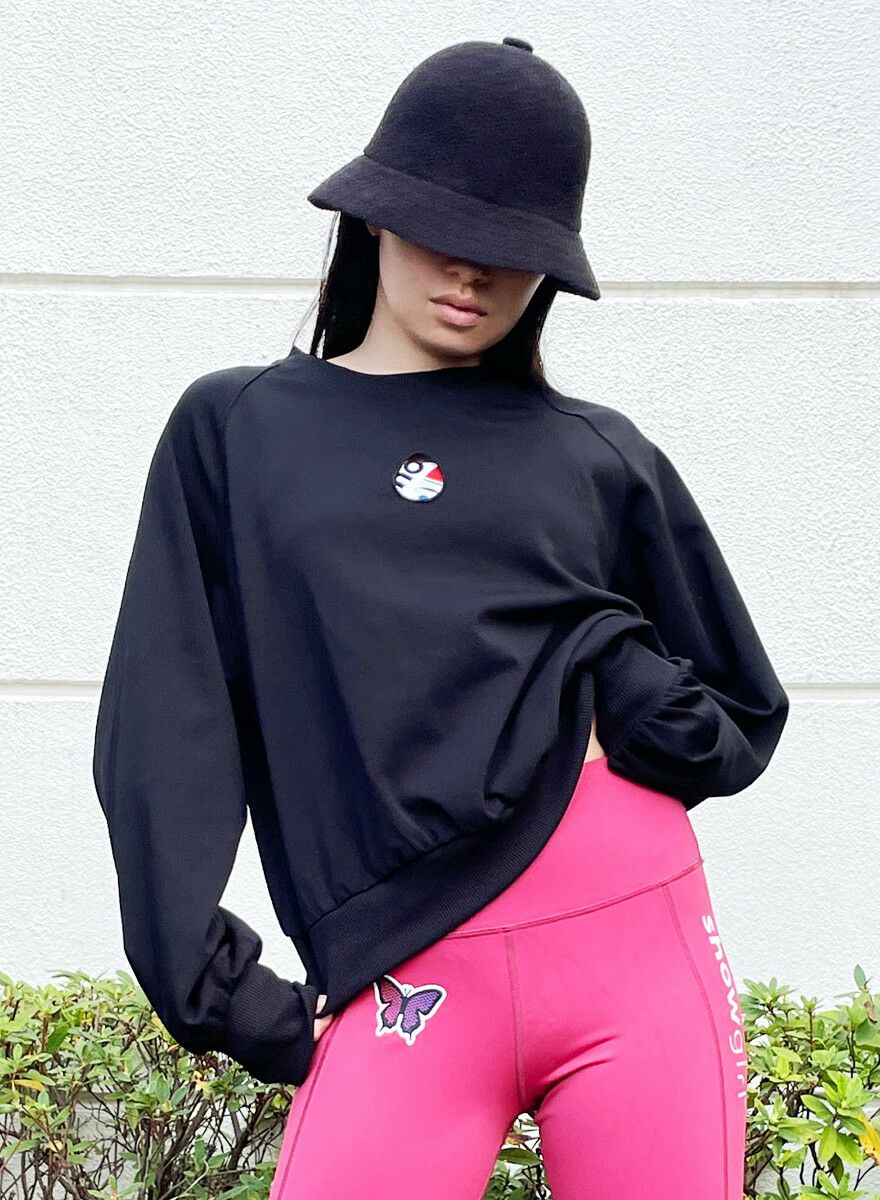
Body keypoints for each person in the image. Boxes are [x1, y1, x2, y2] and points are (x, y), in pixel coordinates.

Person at [92, 38, 788, 1200]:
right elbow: (166, 730)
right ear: (373, 216)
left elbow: (737, 712)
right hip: (404, 973)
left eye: (511, 251)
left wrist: (613, 669)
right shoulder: (238, 431)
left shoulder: (596, 454)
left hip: (632, 936)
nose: (471, 272)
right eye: (440, 229)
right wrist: (227, 996)